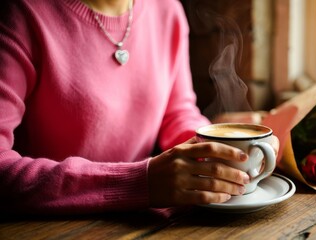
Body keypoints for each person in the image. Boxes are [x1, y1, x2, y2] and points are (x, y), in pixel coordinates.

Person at [0, 0, 278, 215]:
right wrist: (139, 183)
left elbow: (177, 113)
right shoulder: (21, 15)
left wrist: (218, 151)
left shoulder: (166, 10)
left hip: (140, 219)